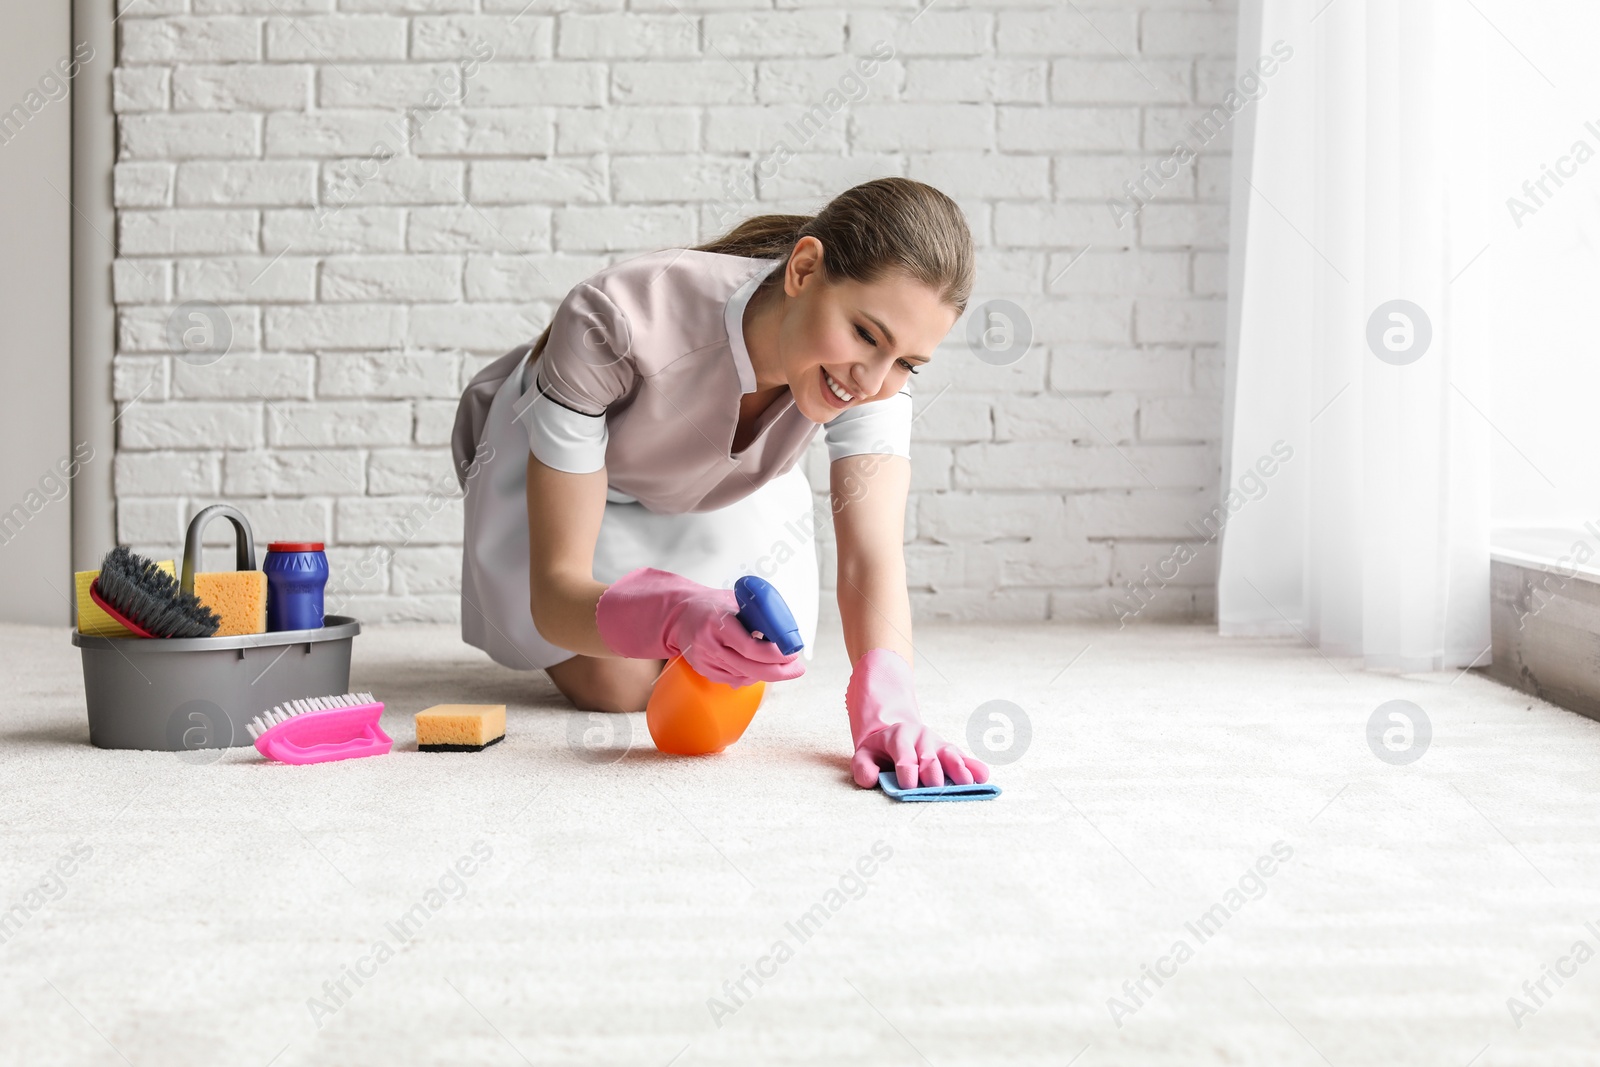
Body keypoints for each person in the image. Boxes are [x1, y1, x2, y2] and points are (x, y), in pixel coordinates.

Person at [451, 177, 989, 790]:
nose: (872, 381)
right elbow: (554, 596)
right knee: (619, 686)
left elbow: (871, 555)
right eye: (866, 334)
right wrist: (675, 613)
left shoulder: (873, 373)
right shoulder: (614, 321)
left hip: (710, 480)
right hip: (561, 463)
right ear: (805, 270)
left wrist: (891, 710)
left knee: (750, 656)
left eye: (908, 363)